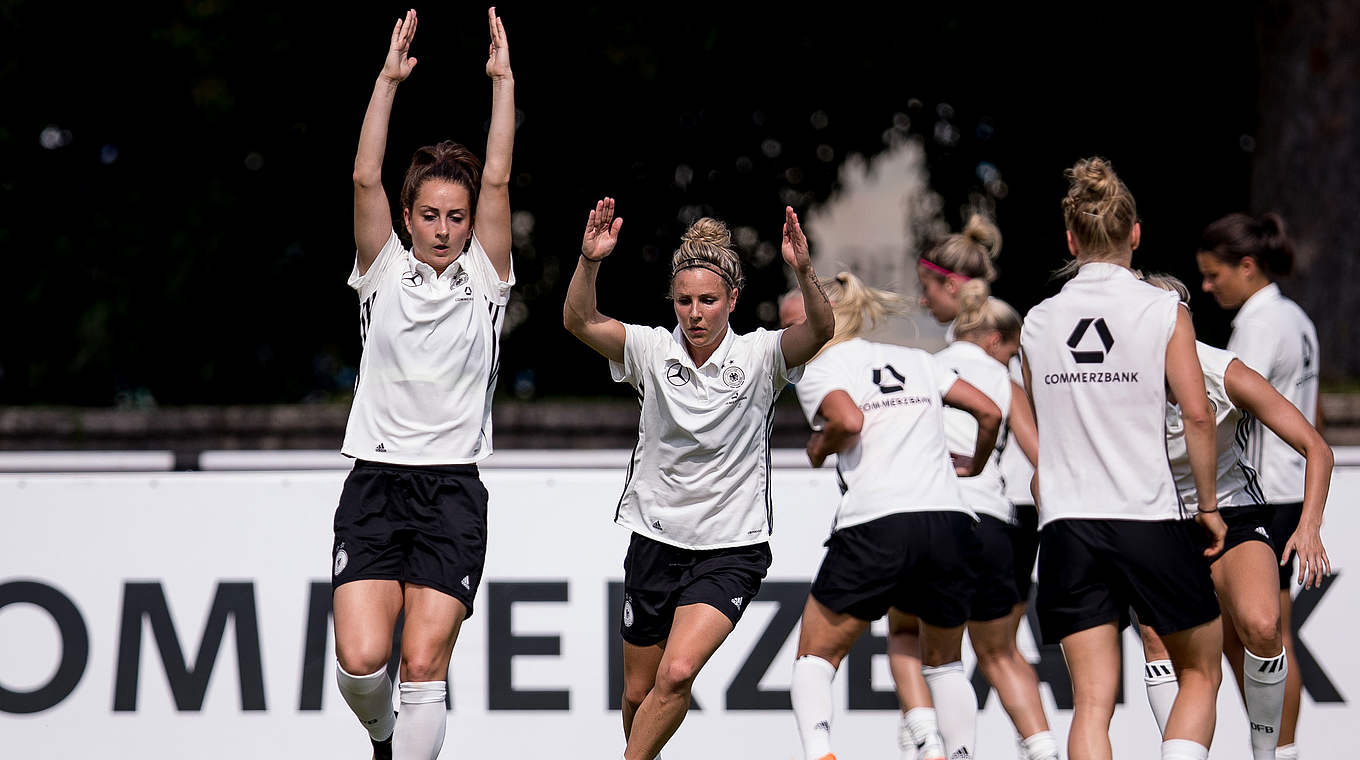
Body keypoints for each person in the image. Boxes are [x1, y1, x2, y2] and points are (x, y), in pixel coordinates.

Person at [564, 198, 834, 760]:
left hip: (730, 547)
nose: (695, 313)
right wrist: (590, 262)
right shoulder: (651, 349)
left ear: (732, 300)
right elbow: (579, 321)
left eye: (708, 300)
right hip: (655, 541)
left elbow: (821, 328)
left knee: (678, 672)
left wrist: (804, 271)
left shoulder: (761, 356)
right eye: (684, 301)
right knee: (639, 692)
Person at [330, 9, 516, 760]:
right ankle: (382, 739)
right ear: (407, 218)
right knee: (361, 661)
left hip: (451, 492)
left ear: (472, 225)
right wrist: (386, 82)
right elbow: (363, 174)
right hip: (374, 483)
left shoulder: (485, 276)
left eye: (457, 216)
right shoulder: (382, 274)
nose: (444, 227)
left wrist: (502, 83)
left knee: (421, 664)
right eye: (430, 215)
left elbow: (498, 174)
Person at [1020, 157, 1226, 760]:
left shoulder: (1038, 321)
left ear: (1070, 239)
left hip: (1067, 525)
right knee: (1200, 671)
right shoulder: (1163, 309)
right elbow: (1196, 413)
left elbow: (1043, 419)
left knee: (1091, 704)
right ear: (1135, 233)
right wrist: (1209, 507)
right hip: (1148, 516)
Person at [782, 273, 1004, 760]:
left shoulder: (821, 366)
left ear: (822, 320)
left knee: (814, 657)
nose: (787, 340)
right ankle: (957, 753)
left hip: (877, 522)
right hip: (950, 522)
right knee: (945, 664)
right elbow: (989, 413)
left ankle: (821, 753)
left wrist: (818, 447)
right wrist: (976, 464)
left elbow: (847, 421)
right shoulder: (917, 360)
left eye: (791, 325)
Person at [1136, 274, 1332, 760]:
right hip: (1156, 519)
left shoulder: (1221, 370)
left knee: (1264, 626)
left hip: (1234, 513)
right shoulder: (1121, 375)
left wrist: (1309, 527)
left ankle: (1267, 753)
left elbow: (1317, 448)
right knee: (1157, 643)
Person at [1195, 212, 1322, 760]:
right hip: (1287, 490)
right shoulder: (1294, 315)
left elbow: (1228, 405)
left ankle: (1277, 751)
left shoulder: (1258, 323)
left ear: (1246, 267)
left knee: (1260, 640)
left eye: (1213, 275)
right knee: (1267, 637)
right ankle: (1274, 750)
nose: (1205, 286)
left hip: (1262, 496)